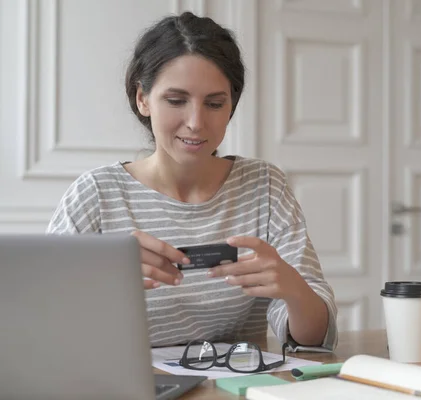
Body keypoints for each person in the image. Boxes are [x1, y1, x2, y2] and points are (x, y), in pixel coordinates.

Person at [47, 12, 337, 350]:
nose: (196, 123)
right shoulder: (96, 195)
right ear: (143, 99)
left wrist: (294, 289)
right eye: (176, 101)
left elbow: (316, 340)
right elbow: (39, 319)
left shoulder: (264, 186)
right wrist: (98, 280)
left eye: (215, 103)